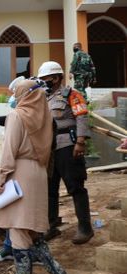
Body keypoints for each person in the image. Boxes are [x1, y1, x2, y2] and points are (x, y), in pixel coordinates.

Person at [0, 79, 67, 274]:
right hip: (39, 173)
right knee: (32, 228)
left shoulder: (17, 116)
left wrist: (1, 179)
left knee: (17, 226)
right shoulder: (46, 117)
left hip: (20, 172)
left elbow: (9, 151)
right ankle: (56, 271)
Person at [38, 61, 94, 244]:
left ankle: (85, 228)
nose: (44, 82)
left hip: (68, 145)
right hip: (49, 149)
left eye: (47, 78)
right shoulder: (43, 98)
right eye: (42, 79)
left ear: (57, 78)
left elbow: (82, 116)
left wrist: (80, 141)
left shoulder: (72, 94)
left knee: (75, 186)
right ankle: (51, 225)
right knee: (49, 189)